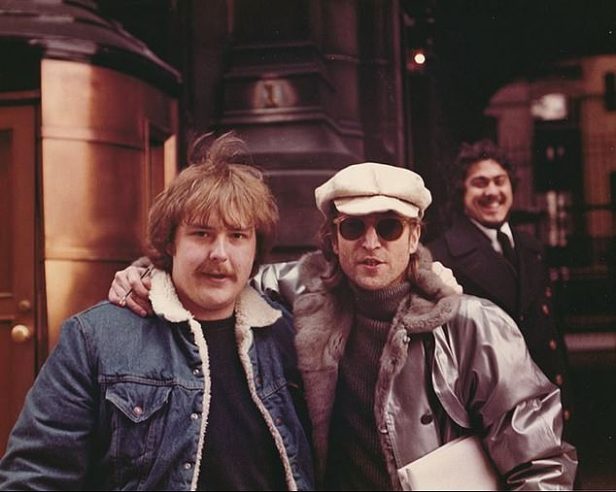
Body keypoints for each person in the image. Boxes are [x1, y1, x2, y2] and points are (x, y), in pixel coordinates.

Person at [110, 160, 577, 490]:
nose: (370, 242)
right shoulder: (298, 292)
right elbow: (218, 274)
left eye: (389, 227)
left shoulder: (470, 324)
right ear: (333, 238)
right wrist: (150, 275)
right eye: (353, 227)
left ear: (414, 234)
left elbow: (542, 464)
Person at [0, 133, 314, 491]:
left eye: (238, 236)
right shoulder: (96, 339)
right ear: (170, 243)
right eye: (201, 234)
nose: (219, 254)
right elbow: (35, 476)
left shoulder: (288, 336)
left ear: (256, 248)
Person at [426, 139, 573, 426]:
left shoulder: (532, 247)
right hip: (497, 420)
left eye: (499, 181)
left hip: (550, 408)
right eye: (479, 183)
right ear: (461, 192)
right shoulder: (440, 256)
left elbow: (553, 337)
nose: (492, 192)